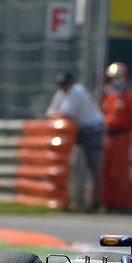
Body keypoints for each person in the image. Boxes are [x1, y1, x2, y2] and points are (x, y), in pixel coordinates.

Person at [46, 70, 105, 210]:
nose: (63, 87)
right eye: (61, 84)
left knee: (94, 166)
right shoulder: (61, 93)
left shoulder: (76, 92)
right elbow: (50, 112)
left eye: (65, 84)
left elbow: (66, 114)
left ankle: (95, 202)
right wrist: (55, 115)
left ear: (71, 82)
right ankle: (71, 200)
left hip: (92, 129)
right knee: (69, 162)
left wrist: (54, 115)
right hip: (78, 129)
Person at [100, 62, 132, 213]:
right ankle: (108, 203)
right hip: (108, 137)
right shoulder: (110, 97)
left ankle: (123, 205)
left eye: (119, 77)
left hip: (121, 137)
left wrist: (127, 130)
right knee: (107, 171)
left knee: (120, 172)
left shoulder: (130, 97)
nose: (116, 80)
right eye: (113, 77)